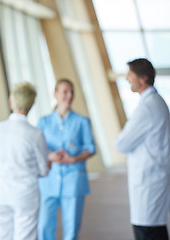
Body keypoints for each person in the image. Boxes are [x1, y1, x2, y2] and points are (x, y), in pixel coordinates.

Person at [115, 58, 170, 240]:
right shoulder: (155, 103)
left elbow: (121, 143)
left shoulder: (147, 108)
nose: (127, 79)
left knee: (148, 233)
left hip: (148, 182)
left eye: (130, 74)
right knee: (154, 231)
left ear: (143, 78)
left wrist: (125, 133)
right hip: (152, 179)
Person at [37, 79, 96, 240]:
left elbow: (90, 148)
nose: (69, 95)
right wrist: (50, 155)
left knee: (71, 229)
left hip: (73, 180)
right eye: (65, 91)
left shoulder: (82, 121)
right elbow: (37, 148)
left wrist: (74, 158)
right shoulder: (44, 122)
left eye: (71, 92)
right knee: (43, 226)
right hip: (48, 181)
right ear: (56, 94)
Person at [0, 82, 51, 240]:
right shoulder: (35, 134)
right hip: (25, 195)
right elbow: (43, 169)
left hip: (1, 193)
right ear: (31, 104)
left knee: (1, 236)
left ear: (11, 102)